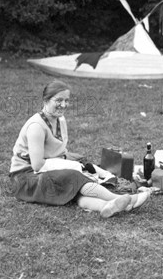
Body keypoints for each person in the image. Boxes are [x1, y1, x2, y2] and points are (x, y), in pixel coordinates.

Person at [9, 80, 149, 218]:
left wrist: (80, 163)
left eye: (66, 100)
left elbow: (59, 152)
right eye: (58, 100)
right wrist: (69, 166)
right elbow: (37, 165)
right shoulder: (36, 127)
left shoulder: (60, 120)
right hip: (26, 179)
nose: (63, 105)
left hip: (41, 172)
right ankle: (122, 199)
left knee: (75, 184)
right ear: (45, 100)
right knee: (72, 176)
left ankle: (104, 207)